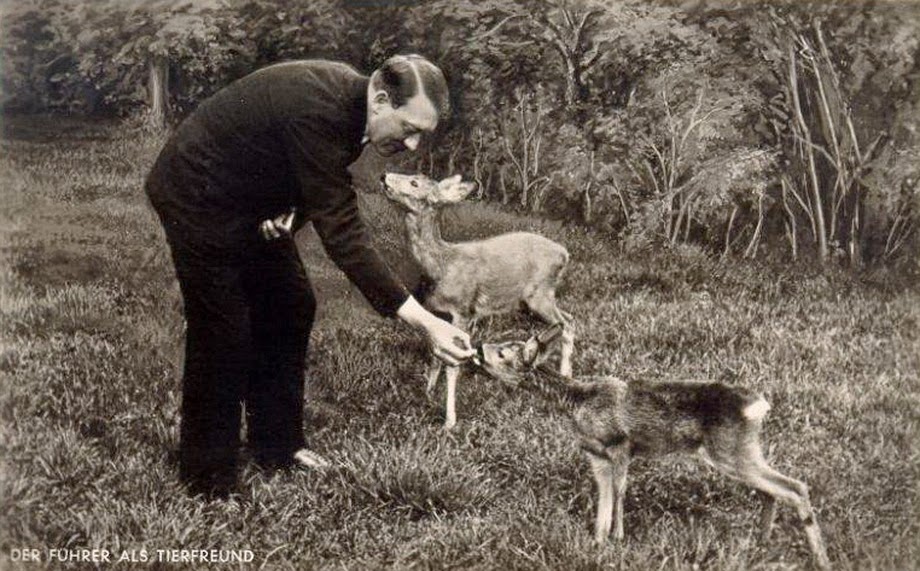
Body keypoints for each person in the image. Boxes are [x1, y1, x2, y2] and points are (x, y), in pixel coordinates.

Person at [144, 55, 474, 499]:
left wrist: (291, 209)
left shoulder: (354, 110)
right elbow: (344, 234)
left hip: (248, 198)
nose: (413, 146)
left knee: (292, 304)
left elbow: (309, 170)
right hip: (196, 194)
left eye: (422, 136)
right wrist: (427, 321)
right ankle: (207, 476)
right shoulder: (321, 108)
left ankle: (277, 445)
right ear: (380, 99)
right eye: (410, 129)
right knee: (223, 327)